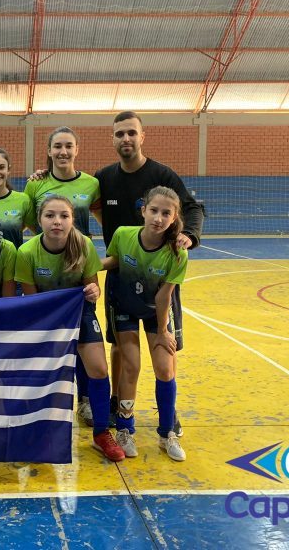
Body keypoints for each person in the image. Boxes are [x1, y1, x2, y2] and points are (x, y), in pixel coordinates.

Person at [94, 111, 204, 440]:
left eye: (131, 133)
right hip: (122, 271)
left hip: (158, 275)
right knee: (120, 347)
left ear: (143, 136)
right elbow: (79, 197)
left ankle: (167, 413)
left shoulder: (162, 175)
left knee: (164, 350)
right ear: (112, 139)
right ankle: (118, 403)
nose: (125, 139)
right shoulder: (104, 177)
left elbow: (193, 208)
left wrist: (190, 236)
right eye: (119, 134)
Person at [14, 195, 124, 462]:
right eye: (50, 215)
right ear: (39, 220)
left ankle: (100, 433)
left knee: (98, 368)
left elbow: (93, 290)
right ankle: (34, 428)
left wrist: (93, 290)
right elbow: (30, 300)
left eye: (64, 216)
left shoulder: (83, 245)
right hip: (44, 317)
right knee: (41, 370)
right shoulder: (27, 252)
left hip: (79, 312)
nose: (57, 221)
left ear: (72, 220)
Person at [101, 186, 188, 461]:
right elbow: (114, 262)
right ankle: (125, 429)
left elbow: (164, 296)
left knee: (164, 368)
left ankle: (166, 434)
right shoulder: (123, 235)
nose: (158, 218)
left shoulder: (177, 253)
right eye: (154, 211)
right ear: (143, 211)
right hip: (123, 306)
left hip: (155, 312)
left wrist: (162, 332)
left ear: (174, 218)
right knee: (132, 365)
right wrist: (87, 265)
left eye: (166, 213)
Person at [23, 127, 101, 425]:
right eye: (58, 146)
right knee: (47, 341)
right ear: (49, 150)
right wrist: (52, 250)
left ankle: (84, 401)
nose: (63, 152)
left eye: (68, 146)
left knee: (84, 342)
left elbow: (101, 218)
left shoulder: (92, 184)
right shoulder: (36, 184)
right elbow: (32, 224)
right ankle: (43, 402)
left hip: (79, 273)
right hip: (46, 273)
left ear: (77, 149)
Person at [0, 148, 33, 249]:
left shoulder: (23, 200)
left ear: (8, 170)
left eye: (1, 167)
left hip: (14, 264)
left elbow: (39, 234)